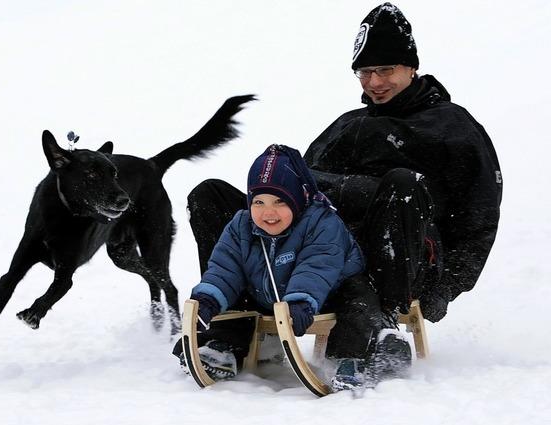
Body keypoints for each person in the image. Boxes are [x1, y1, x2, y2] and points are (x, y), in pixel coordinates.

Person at [185, 3, 502, 385]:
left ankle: (380, 322)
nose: (374, 82)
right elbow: (293, 192)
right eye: (365, 71)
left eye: (386, 69)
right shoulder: (347, 125)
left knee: (402, 183)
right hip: (314, 257)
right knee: (212, 195)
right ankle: (235, 324)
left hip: (397, 265)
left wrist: (445, 288)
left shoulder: (452, 128)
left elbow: (479, 216)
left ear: (411, 67)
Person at [174, 145, 410, 390]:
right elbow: (225, 268)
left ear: (298, 200)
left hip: (329, 292)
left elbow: (316, 266)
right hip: (274, 296)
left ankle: (351, 357)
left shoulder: (321, 222)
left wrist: (300, 300)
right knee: (235, 288)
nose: (268, 212)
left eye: (279, 201)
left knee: (359, 300)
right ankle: (226, 344)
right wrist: (209, 299)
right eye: (259, 201)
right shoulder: (240, 226)